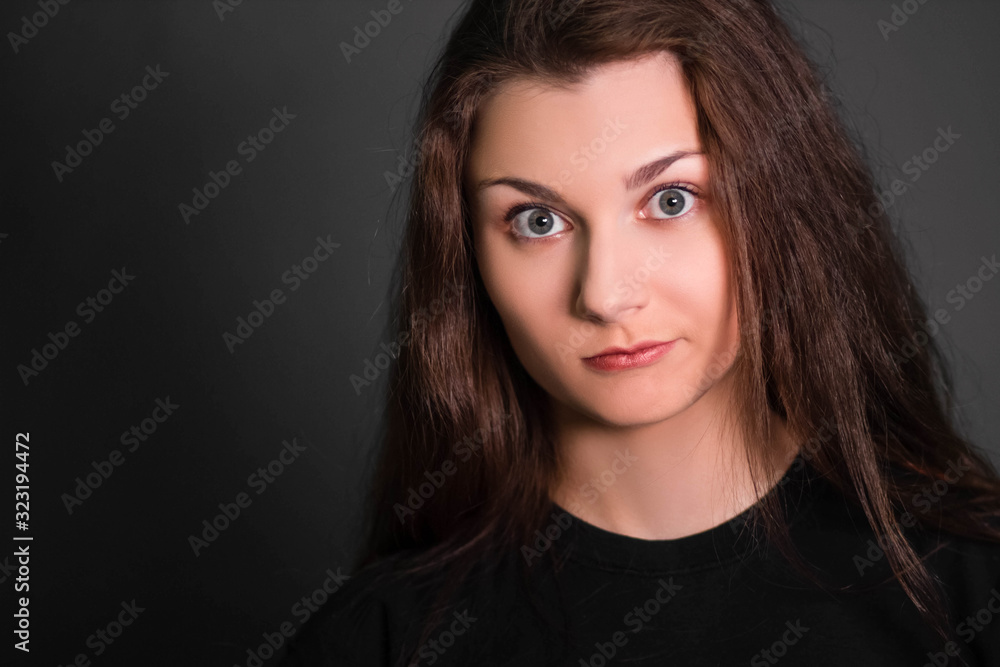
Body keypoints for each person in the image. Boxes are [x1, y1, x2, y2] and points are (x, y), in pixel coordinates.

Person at [280, 0, 1000, 664]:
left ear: (782, 202)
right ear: (469, 255)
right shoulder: (378, 641)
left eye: (671, 199)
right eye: (538, 221)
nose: (605, 294)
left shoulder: (969, 589)